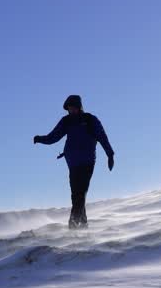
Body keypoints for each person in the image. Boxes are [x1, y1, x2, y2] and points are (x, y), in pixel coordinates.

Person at [33, 94, 115, 228]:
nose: (70, 110)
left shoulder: (90, 120)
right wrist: (41, 139)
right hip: (73, 163)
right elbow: (54, 136)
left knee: (80, 193)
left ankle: (73, 224)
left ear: (79, 107)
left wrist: (110, 154)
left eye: (73, 107)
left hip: (87, 162)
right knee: (76, 195)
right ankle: (83, 224)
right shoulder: (66, 121)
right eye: (69, 108)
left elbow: (102, 137)